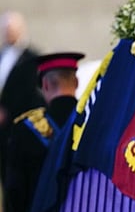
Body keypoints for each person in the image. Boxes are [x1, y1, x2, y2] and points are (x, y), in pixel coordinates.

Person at [4, 52, 84, 212]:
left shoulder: (24, 129)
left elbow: (15, 193)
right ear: (76, 82)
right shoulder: (92, 123)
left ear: (45, 85)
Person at [0, 11, 45, 184]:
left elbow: (28, 91)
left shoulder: (31, 58)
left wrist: (7, 111)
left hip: (18, 122)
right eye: (7, 29)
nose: (9, 33)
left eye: (13, 29)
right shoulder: (2, 55)